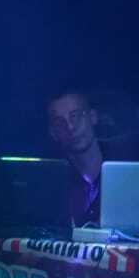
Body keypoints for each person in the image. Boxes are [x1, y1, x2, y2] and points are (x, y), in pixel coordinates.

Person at [46, 88, 103, 226]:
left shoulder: (127, 166)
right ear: (53, 133)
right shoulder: (51, 183)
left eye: (75, 116)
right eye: (59, 122)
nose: (70, 127)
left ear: (93, 117)